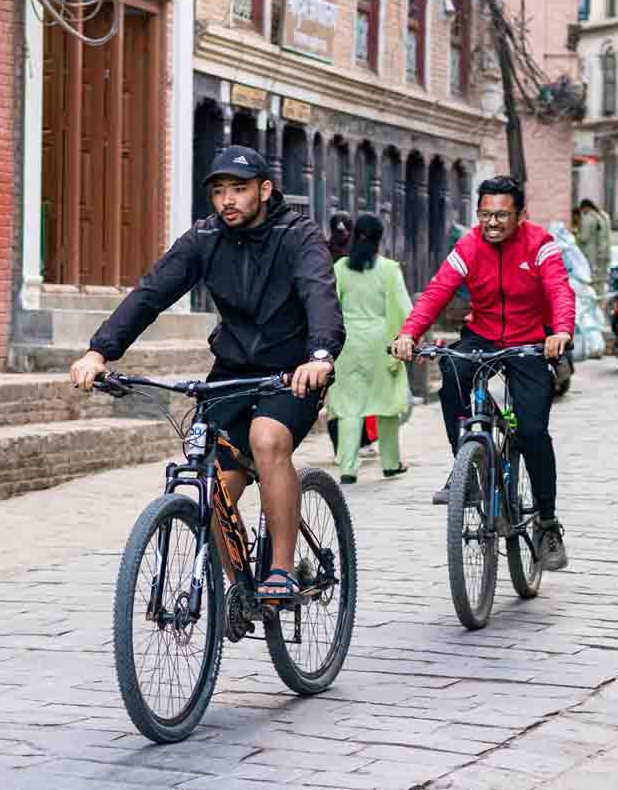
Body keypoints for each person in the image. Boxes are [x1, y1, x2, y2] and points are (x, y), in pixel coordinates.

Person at [70, 145, 345, 599]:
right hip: (232, 371)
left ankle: (281, 570)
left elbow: (319, 294)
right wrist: (100, 352)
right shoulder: (205, 238)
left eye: (239, 189)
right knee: (212, 484)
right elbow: (151, 293)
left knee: (267, 439)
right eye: (219, 192)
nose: (228, 201)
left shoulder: (298, 236)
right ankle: (240, 590)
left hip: (292, 370)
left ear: (264, 189)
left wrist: (319, 356)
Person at [391, 176, 575, 572]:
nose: (492, 222)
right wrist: (410, 332)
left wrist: (560, 330)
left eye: (502, 215)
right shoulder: (469, 245)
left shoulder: (540, 244)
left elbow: (560, 289)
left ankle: (546, 523)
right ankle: (469, 466)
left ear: (521, 215)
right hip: (483, 336)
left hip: (530, 342)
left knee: (531, 432)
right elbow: (438, 289)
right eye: (485, 214)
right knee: (452, 372)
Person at [327, 213, 412, 484]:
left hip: (347, 343)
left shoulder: (340, 268)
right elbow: (404, 306)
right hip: (381, 342)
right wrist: (407, 338)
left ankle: (348, 469)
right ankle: (390, 463)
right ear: (379, 239)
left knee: (349, 408)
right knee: (386, 405)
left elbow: (329, 306)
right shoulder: (389, 269)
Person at [577, 198, 612, 299]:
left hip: (593, 256)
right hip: (605, 255)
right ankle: (602, 305)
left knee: (591, 284)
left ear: (585, 208)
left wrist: (575, 234)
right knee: (601, 284)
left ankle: (595, 308)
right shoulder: (604, 216)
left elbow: (584, 237)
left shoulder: (588, 218)